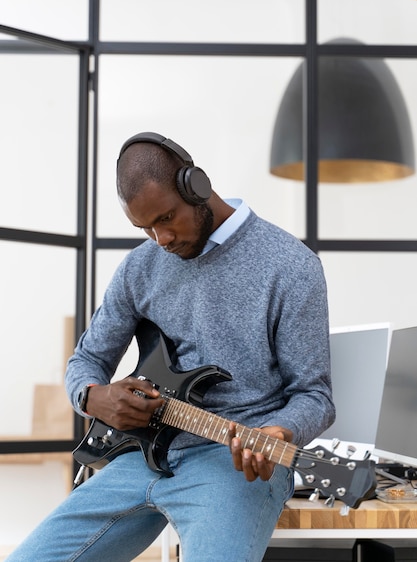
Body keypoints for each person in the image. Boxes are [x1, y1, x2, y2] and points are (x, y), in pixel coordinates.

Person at [7, 131, 335, 562]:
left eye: (165, 219)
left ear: (196, 187)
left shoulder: (291, 266)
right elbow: (86, 360)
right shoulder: (140, 267)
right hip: (137, 457)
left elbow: (315, 396)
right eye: (144, 228)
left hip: (235, 466)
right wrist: (93, 397)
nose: (160, 239)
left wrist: (277, 432)